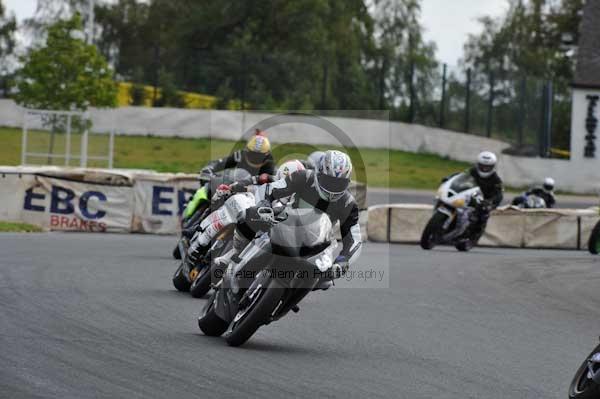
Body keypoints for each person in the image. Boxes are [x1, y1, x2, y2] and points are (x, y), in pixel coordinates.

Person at [248, 149, 362, 287]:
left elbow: (354, 239)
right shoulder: (303, 177)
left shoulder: (348, 203)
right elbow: (270, 189)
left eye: (338, 183)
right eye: (329, 180)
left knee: (325, 281)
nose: (333, 188)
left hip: (318, 243)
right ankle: (236, 266)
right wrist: (264, 204)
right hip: (286, 224)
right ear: (319, 174)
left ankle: (289, 298)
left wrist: (343, 260)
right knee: (255, 226)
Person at [183, 160, 306, 271]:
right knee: (230, 203)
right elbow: (249, 182)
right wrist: (231, 188)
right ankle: (200, 233)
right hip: (251, 208)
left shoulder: (296, 199)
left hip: (269, 226)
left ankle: (234, 262)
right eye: (290, 180)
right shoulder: (268, 179)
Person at [464, 151, 504, 242]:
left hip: (485, 200)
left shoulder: (496, 179)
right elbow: (461, 177)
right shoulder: (472, 171)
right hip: (469, 195)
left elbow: (499, 194)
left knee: (483, 212)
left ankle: (475, 234)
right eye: (482, 166)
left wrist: (491, 202)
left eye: (488, 167)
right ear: (478, 164)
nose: (485, 169)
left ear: (493, 167)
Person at [201, 130, 276, 177]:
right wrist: (209, 169)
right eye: (252, 154)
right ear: (247, 150)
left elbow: (274, 178)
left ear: (267, 154)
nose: (255, 158)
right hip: (235, 189)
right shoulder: (240, 155)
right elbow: (220, 162)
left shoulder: (269, 161)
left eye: (259, 156)